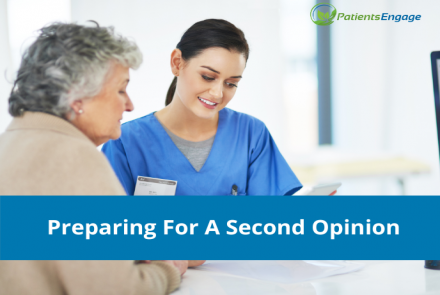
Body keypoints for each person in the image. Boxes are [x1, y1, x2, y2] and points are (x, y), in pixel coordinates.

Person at [0, 23, 185, 295]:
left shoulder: (9, 146)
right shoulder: (76, 158)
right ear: (77, 96)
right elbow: (116, 289)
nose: (130, 104)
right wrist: (167, 269)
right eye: (121, 89)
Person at [102, 19, 303, 196]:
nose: (218, 93)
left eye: (231, 83)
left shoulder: (251, 135)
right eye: (208, 77)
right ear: (177, 63)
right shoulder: (125, 143)